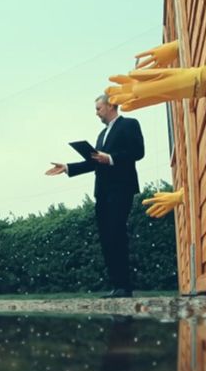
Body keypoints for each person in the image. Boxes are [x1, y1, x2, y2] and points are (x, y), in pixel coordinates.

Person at [46, 95, 145, 298]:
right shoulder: (101, 135)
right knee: (107, 238)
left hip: (121, 189)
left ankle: (125, 286)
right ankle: (116, 285)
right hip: (102, 192)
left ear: (110, 105)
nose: (96, 113)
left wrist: (110, 158)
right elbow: (94, 163)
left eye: (99, 108)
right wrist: (67, 167)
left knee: (117, 234)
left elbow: (138, 152)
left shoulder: (129, 124)